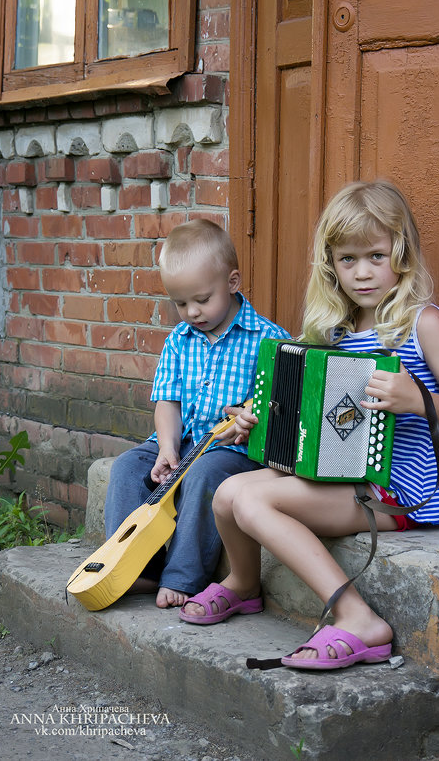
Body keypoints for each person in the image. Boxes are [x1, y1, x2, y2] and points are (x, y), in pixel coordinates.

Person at [179, 180, 439, 670]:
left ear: (402, 254)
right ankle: (243, 582)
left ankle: (356, 616)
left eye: (376, 256)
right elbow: (300, 409)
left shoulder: (421, 324)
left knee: (254, 499)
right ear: (330, 264)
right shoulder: (334, 333)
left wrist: (414, 398)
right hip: (342, 474)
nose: (362, 273)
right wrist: (254, 418)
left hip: (398, 490)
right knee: (227, 491)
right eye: (347, 260)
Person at [104, 218, 291, 609]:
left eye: (202, 299)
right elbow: (167, 401)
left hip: (232, 451)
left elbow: (283, 407)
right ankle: (137, 567)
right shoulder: (179, 340)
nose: (192, 312)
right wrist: (167, 449)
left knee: (204, 474)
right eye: (180, 303)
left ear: (233, 282)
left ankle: (183, 576)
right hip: (184, 440)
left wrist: (251, 417)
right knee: (125, 467)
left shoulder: (270, 340)